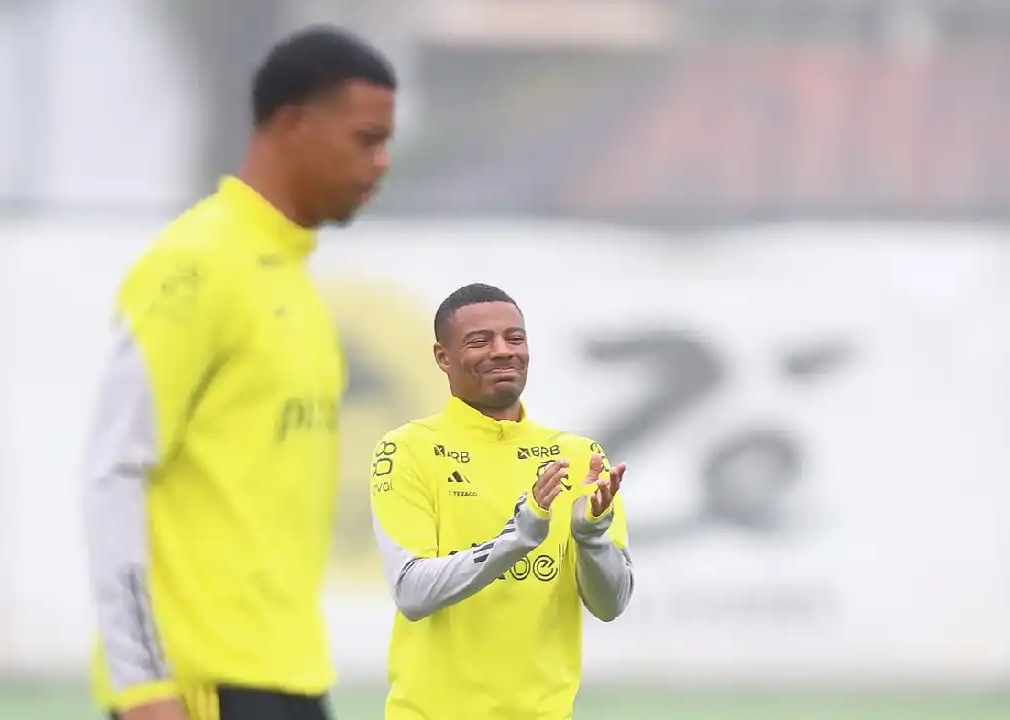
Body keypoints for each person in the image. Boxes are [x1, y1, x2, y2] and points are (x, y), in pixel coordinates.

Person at [81, 26, 396, 720]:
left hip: (288, 678)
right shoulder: (195, 266)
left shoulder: (295, 287)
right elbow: (114, 471)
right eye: (366, 139)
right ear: (293, 124)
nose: (381, 163)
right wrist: (142, 686)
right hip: (200, 688)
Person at [368, 283, 635, 719]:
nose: (502, 351)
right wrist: (517, 538)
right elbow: (412, 592)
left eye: (515, 338)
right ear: (443, 357)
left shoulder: (579, 456)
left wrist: (591, 537)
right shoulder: (407, 449)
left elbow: (611, 604)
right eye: (479, 341)